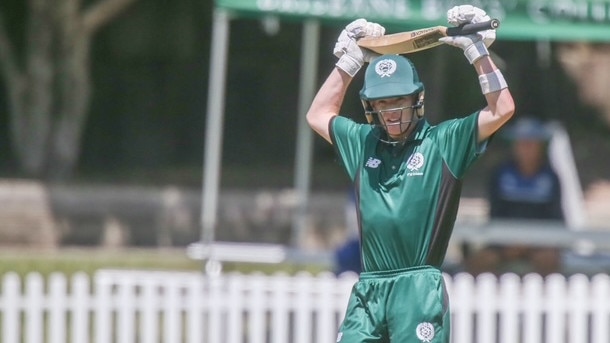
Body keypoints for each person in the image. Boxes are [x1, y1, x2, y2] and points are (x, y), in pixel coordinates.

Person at [305, 5, 515, 343]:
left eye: (397, 100)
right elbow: (317, 114)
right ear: (370, 106)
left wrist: (477, 51)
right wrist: (350, 61)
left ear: (417, 98)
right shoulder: (363, 142)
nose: (390, 111)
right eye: (381, 103)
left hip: (418, 288)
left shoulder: (444, 142)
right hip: (369, 287)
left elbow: (502, 109)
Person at [465, 117, 564, 276]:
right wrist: (507, 245)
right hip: (504, 244)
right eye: (522, 143)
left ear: (539, 146)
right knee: (479, 261)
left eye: (531, 143)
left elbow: (556, 218)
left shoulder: (550, 178)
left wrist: (531, 243)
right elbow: (495, 214)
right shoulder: (500, 174)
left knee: (550, 261)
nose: (526, 149)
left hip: (540, 245)